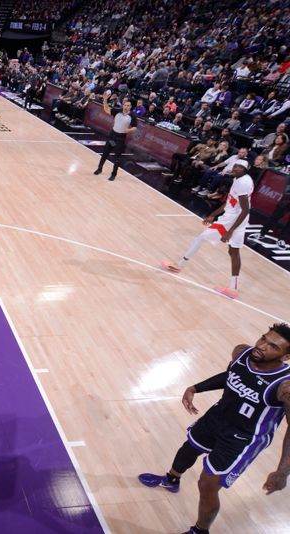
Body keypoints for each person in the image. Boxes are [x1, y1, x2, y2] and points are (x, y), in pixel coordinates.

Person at [138, 323, 290, 534]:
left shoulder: (285, 385)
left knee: (207, 484)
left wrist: (283, 472)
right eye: (263, 338)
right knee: (189, 447)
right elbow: (231, 376)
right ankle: (172, 479)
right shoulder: (242, 352)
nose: (262, 346)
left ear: (286, 356)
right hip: (218, 416)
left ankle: (200, 531)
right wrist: (195, 388)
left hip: (244, 437)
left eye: (273, 346)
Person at [161, 160, 253, 299]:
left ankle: (179, 265)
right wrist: (213, 214)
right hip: (239, 220)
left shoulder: (242, 183)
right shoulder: (240, 179)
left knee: (201, 238)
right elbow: (230, 202)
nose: (236, 168)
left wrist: (230, 231)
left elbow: (245, 209)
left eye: (240, 167)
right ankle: (233, 288)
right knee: (234, 251)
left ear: (246, 170)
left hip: (232, 220)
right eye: (235, 166)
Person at [93, 91, 137, 181]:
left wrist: (129, 130)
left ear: (130, 107)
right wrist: (105, 100)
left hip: (120, 138)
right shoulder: (117, 111)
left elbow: (135, 127)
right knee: (105, 153)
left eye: (128, 106)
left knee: (117, 157)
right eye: (125, 105)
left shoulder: (132, 116)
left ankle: (114, 174)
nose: (126, 107)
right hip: (112, 135)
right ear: (123, 105)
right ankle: (99, 168)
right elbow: (106, 110)